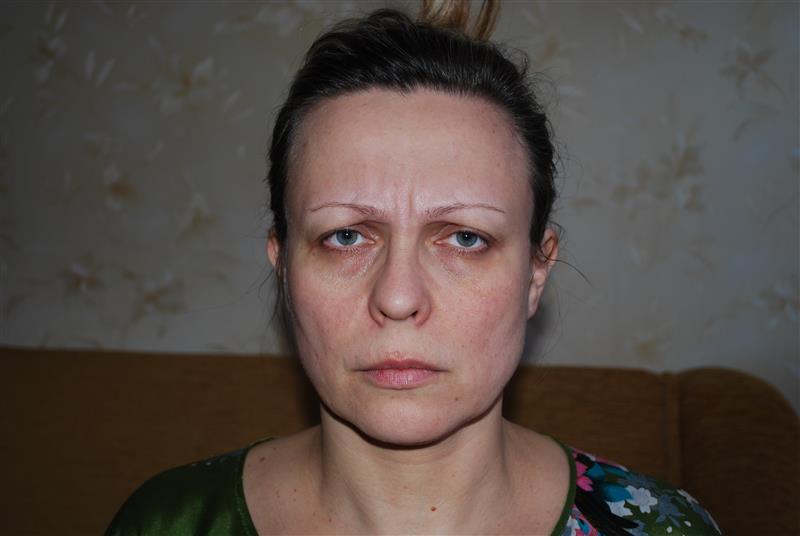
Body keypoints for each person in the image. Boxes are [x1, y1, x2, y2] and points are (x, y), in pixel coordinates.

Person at [106, 1, 722, 534]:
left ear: (536, 272)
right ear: (283, 267)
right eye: (346, 236)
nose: (398, 297)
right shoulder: (166, 523)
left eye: (466, 238)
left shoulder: (661, 529)